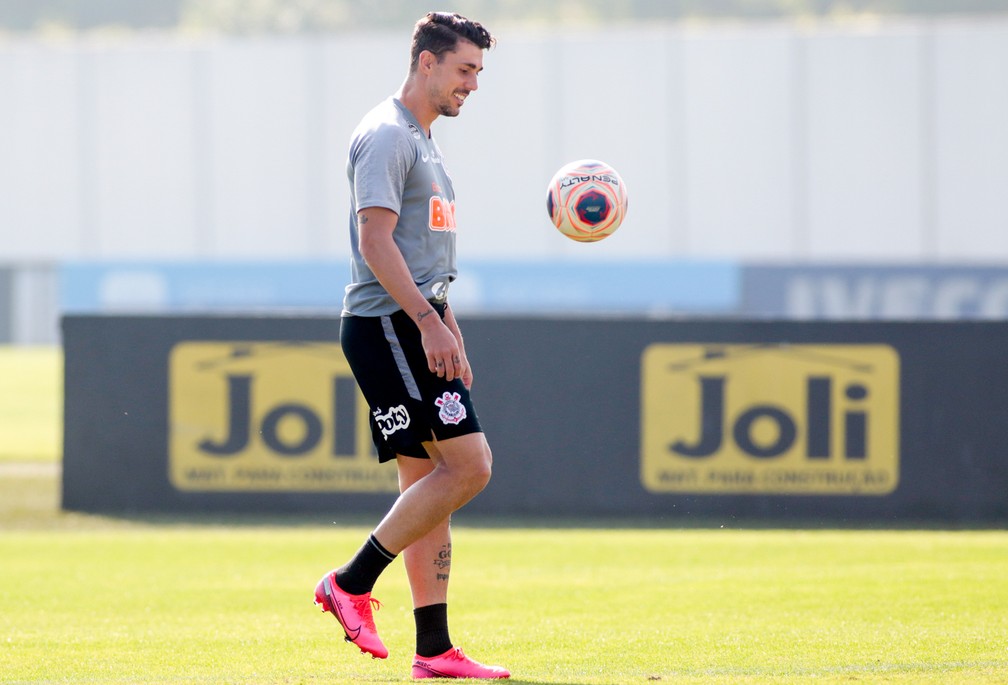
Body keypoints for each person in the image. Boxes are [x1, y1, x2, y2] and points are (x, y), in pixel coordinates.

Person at [313, 11, 509, 681]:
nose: (473, 85)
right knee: (470, 467)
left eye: (478, 72)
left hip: (414, 322)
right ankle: (350, 580)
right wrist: (426, 322)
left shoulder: (424, 141)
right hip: (388, 325)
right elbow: (375, 242)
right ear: (426, 62)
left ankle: (434, 648)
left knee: (429, 484)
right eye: (464, 69)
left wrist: (447, 325)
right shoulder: (388, 136)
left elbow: (427, 257)